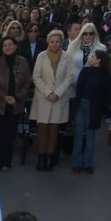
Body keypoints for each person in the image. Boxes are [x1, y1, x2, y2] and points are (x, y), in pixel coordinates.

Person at [30, 29, 75, 171]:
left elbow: (69, 77)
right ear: (48, 42)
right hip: (43, 97)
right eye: (52, 41)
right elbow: (36, 76)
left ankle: (50, 157)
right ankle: (41, 157)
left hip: (59, 99)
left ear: (61, 42)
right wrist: (48, 92)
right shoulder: (41, 56)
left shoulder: (67, 57)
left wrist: (57, 93)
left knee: (54, 130)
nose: (54, 44)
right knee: (42, 129)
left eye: (57, 41)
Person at [0, 36, 32, 172]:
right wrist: (4, 96)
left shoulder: (23, 62)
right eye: (5, 45)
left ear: (15, 46)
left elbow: (27, 82)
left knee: (10, 135)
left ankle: (6, 162)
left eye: (10, 44)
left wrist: (17, 97)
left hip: (15, 105)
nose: (8, 47)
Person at [71, 49, 111, 174]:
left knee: (90, 135)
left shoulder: (105, 76)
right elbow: (79, 89)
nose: (90, 58)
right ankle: (77, 163)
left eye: (93, 56)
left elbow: (107, 95)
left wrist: (103, 109)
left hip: (94, 107)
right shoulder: (85, 71)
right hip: (82, 104)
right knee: (78, 134)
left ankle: (88, 163)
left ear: (99, 60)